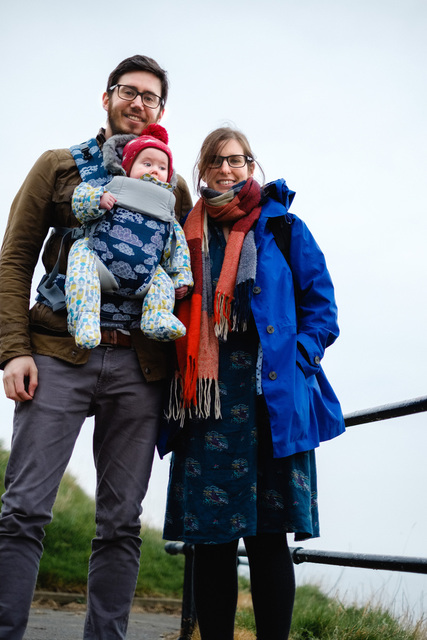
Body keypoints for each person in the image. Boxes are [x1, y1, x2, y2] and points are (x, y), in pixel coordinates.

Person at [0, 55, 192, 640]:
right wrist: (13, 350)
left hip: (140, 366)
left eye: (150, 98)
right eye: (128, 92)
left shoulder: (173, 186)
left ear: (161, 110)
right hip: (58, 352)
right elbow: (15, 257)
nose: (138, 104)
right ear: (106, 97)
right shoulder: (60, 167)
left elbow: (182, 269)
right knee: (25, 510)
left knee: (121, 524)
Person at [162, 126, 345, 640]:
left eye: (237, 160)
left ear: (251, 166)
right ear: (201, 169)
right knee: (212, 543)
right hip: (207, 403)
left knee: (268, 542)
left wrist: (298, 359)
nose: (226, 169)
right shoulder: (183, 230)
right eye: (216, 161)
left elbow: (322, 310)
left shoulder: (284, 226)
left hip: (271, 402)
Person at [65, 123, 193, 348]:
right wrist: (97, 200)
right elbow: (80, 199)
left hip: (144, 278)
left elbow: (177, 247)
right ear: (128, 165)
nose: (155, 170)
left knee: (161, 280)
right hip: (101, 264)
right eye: (147, 163)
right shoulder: (110, 186)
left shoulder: (167, 212)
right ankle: (84, 317)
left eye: (162, 168)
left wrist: (180, 277)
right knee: (80, 254)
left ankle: (156, 316)